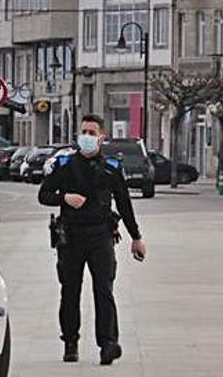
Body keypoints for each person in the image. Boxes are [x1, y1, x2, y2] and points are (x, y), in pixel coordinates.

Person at [38, 114, 146, 366]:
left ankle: (108, 344)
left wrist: (136, 237)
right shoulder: (64, 165)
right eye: (83, 132)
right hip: (71, 237)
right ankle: (70, 342)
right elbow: (43, 195)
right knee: (70, 291)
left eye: (91, 132)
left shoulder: (110, 169)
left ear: (101, 137)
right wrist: (64, 198)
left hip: (101, 236)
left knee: (104, 290)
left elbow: (124, 204)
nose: (86, 136)